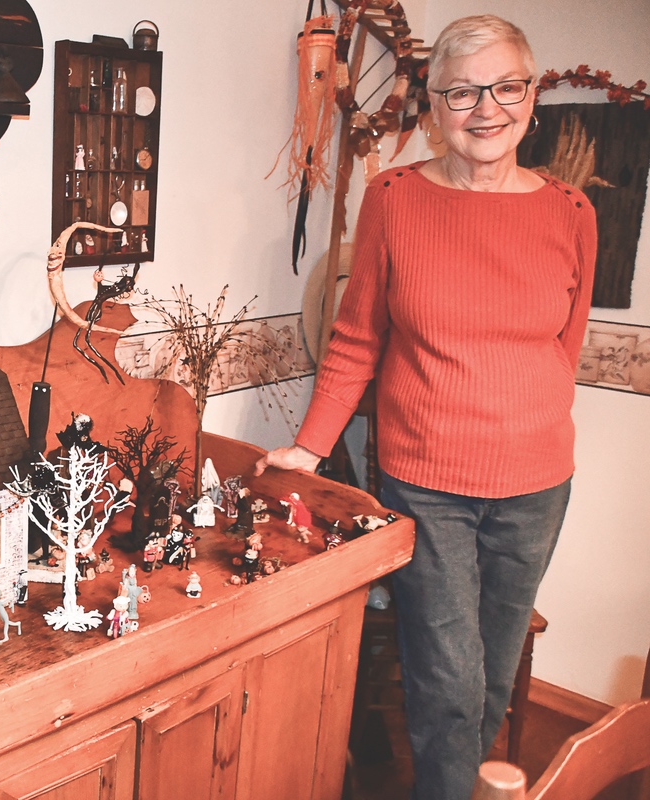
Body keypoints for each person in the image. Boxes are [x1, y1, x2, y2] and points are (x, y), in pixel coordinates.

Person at [255, 15, 596, 800]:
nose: (487, 108)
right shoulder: (396, 199)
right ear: (436, 108)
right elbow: (356, 339)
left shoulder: (572, 213)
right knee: (447, 682)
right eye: (462, 92)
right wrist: (309, 448)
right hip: (429, 484)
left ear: (532, 95)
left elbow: (561, 349)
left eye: (505, 86)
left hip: (538, 485)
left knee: (492, 677)